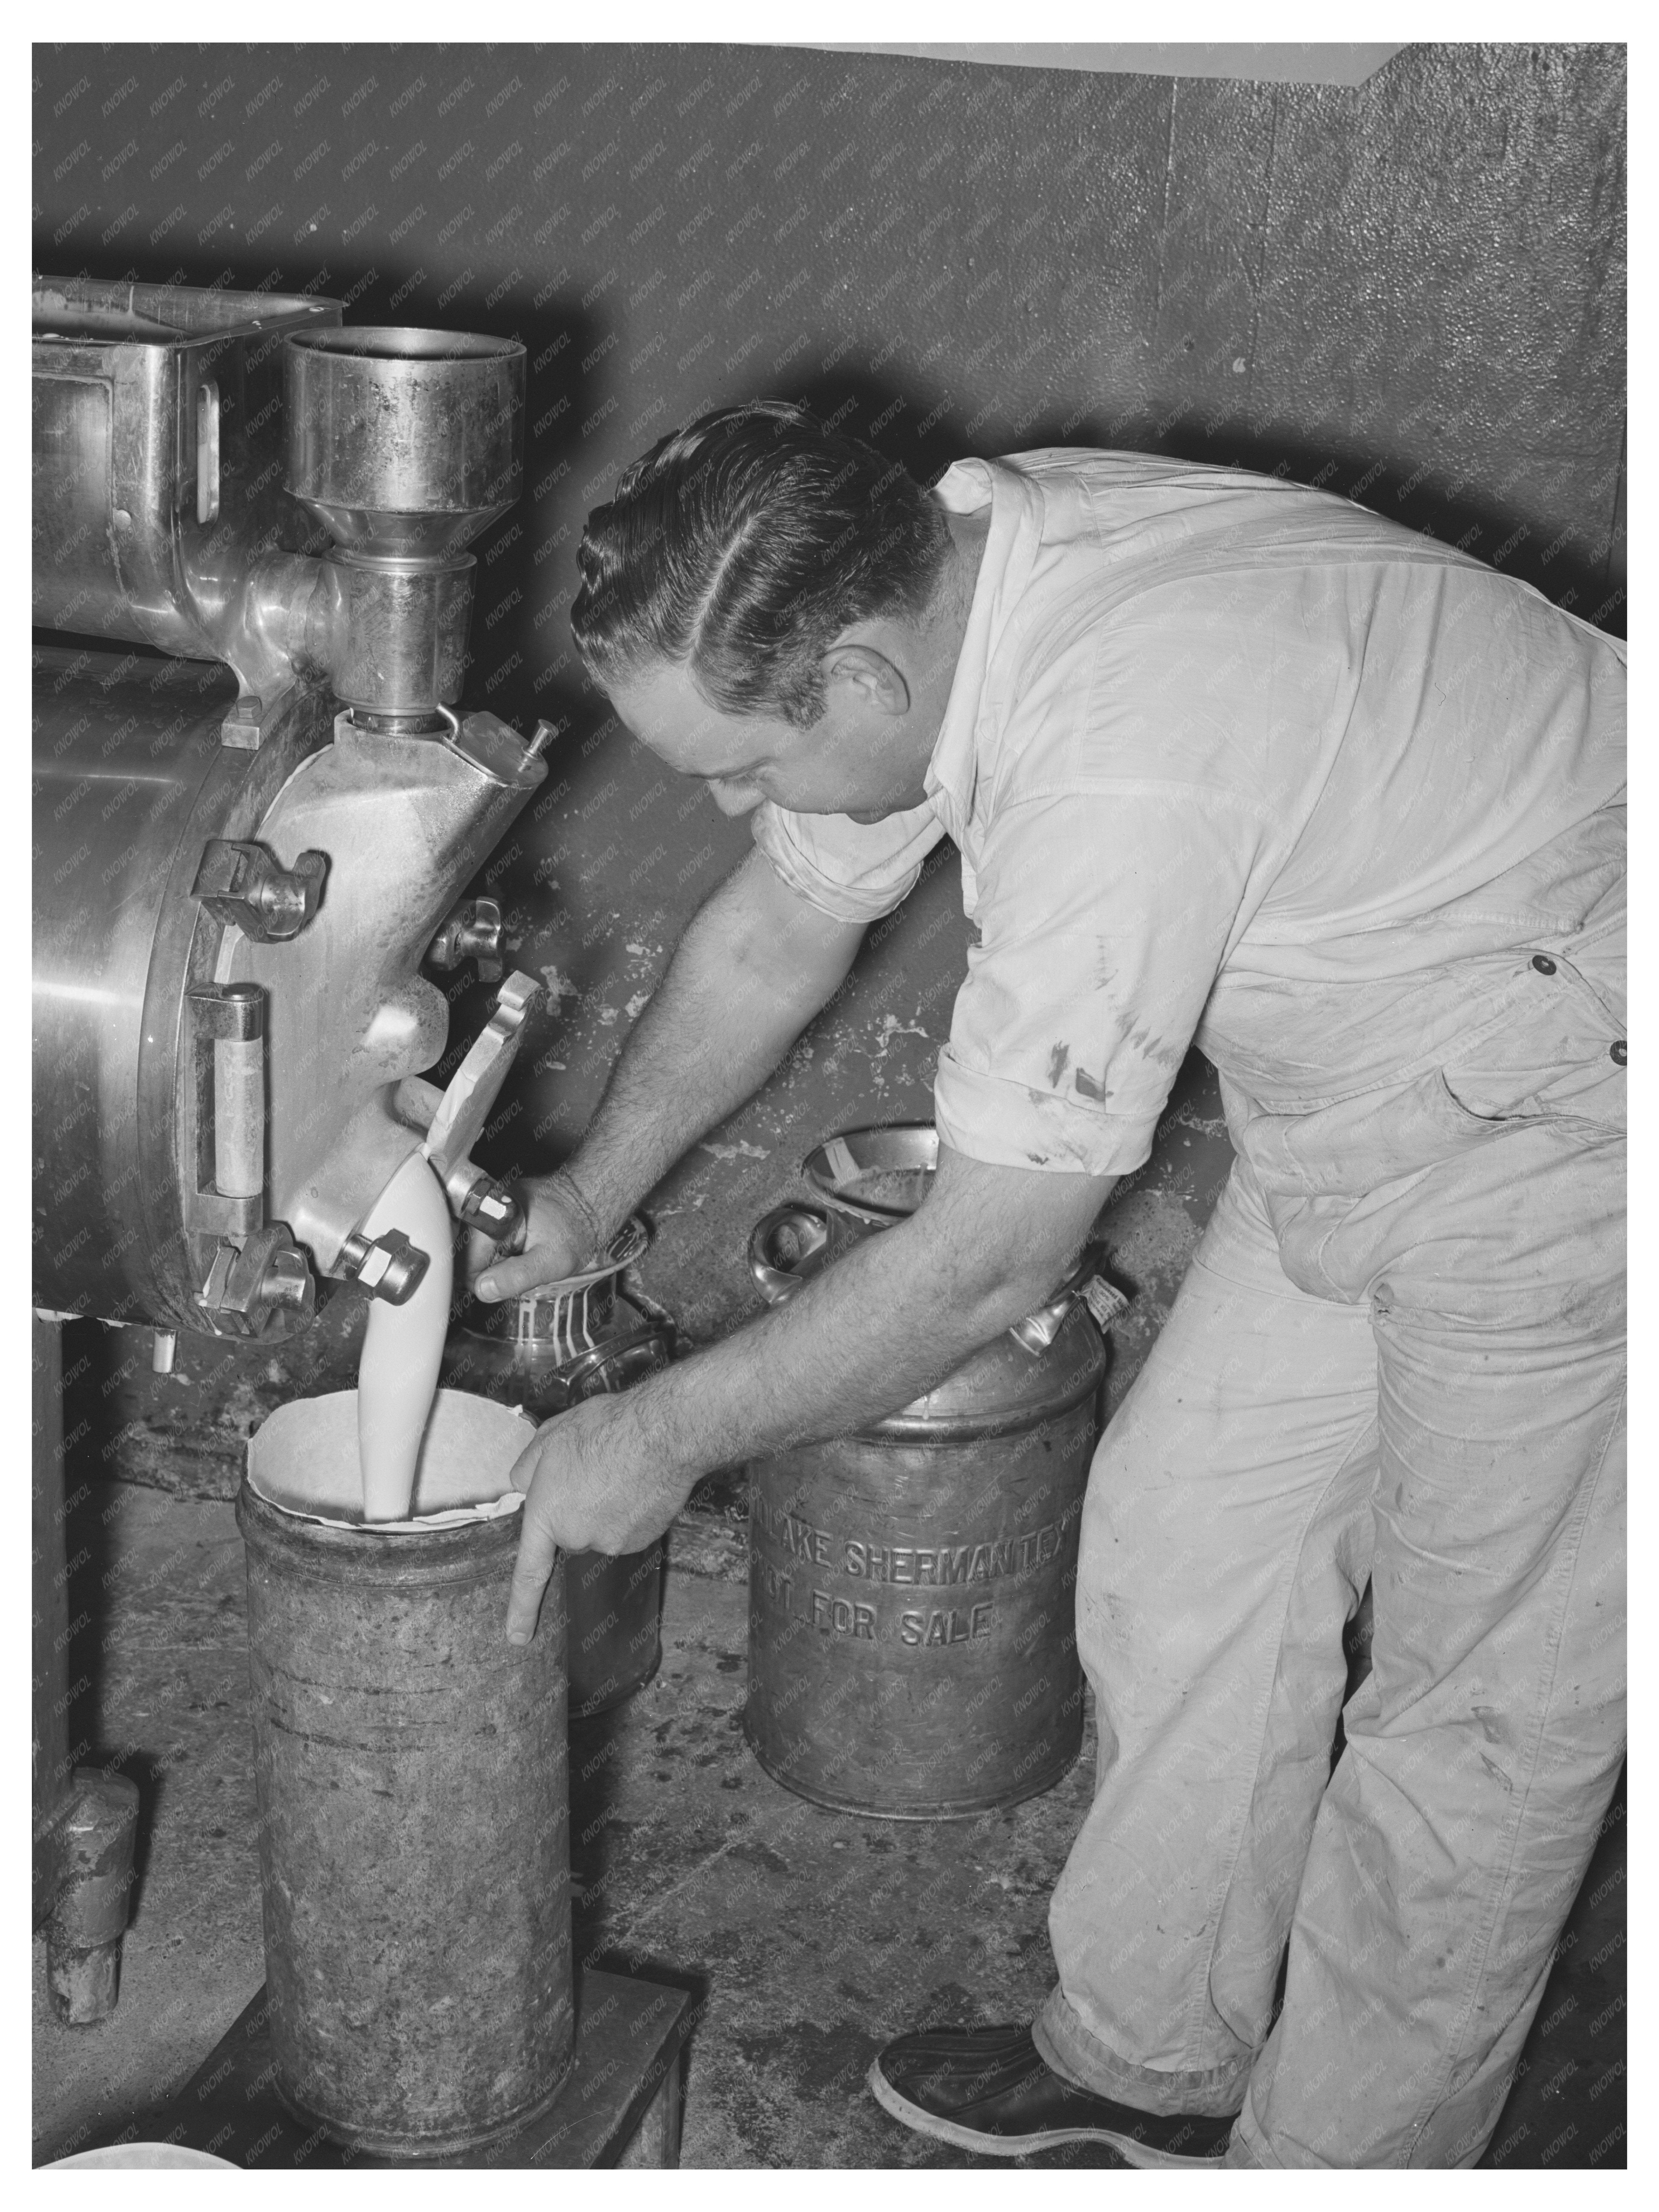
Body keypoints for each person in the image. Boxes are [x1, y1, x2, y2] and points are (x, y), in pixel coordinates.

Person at [475, 399, 1626, 2169]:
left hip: (1587, 1108)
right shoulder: (946, 569)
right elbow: (786, 924)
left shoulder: (1120, 748)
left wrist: (653, 1437)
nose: (724, 804)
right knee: (1181, 1551)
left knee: (1473, 1728)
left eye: (740, 766)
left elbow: (992, 1259)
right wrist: (582, 1201)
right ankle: (1152, 2053)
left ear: (858, 682)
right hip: (1402, 1051)